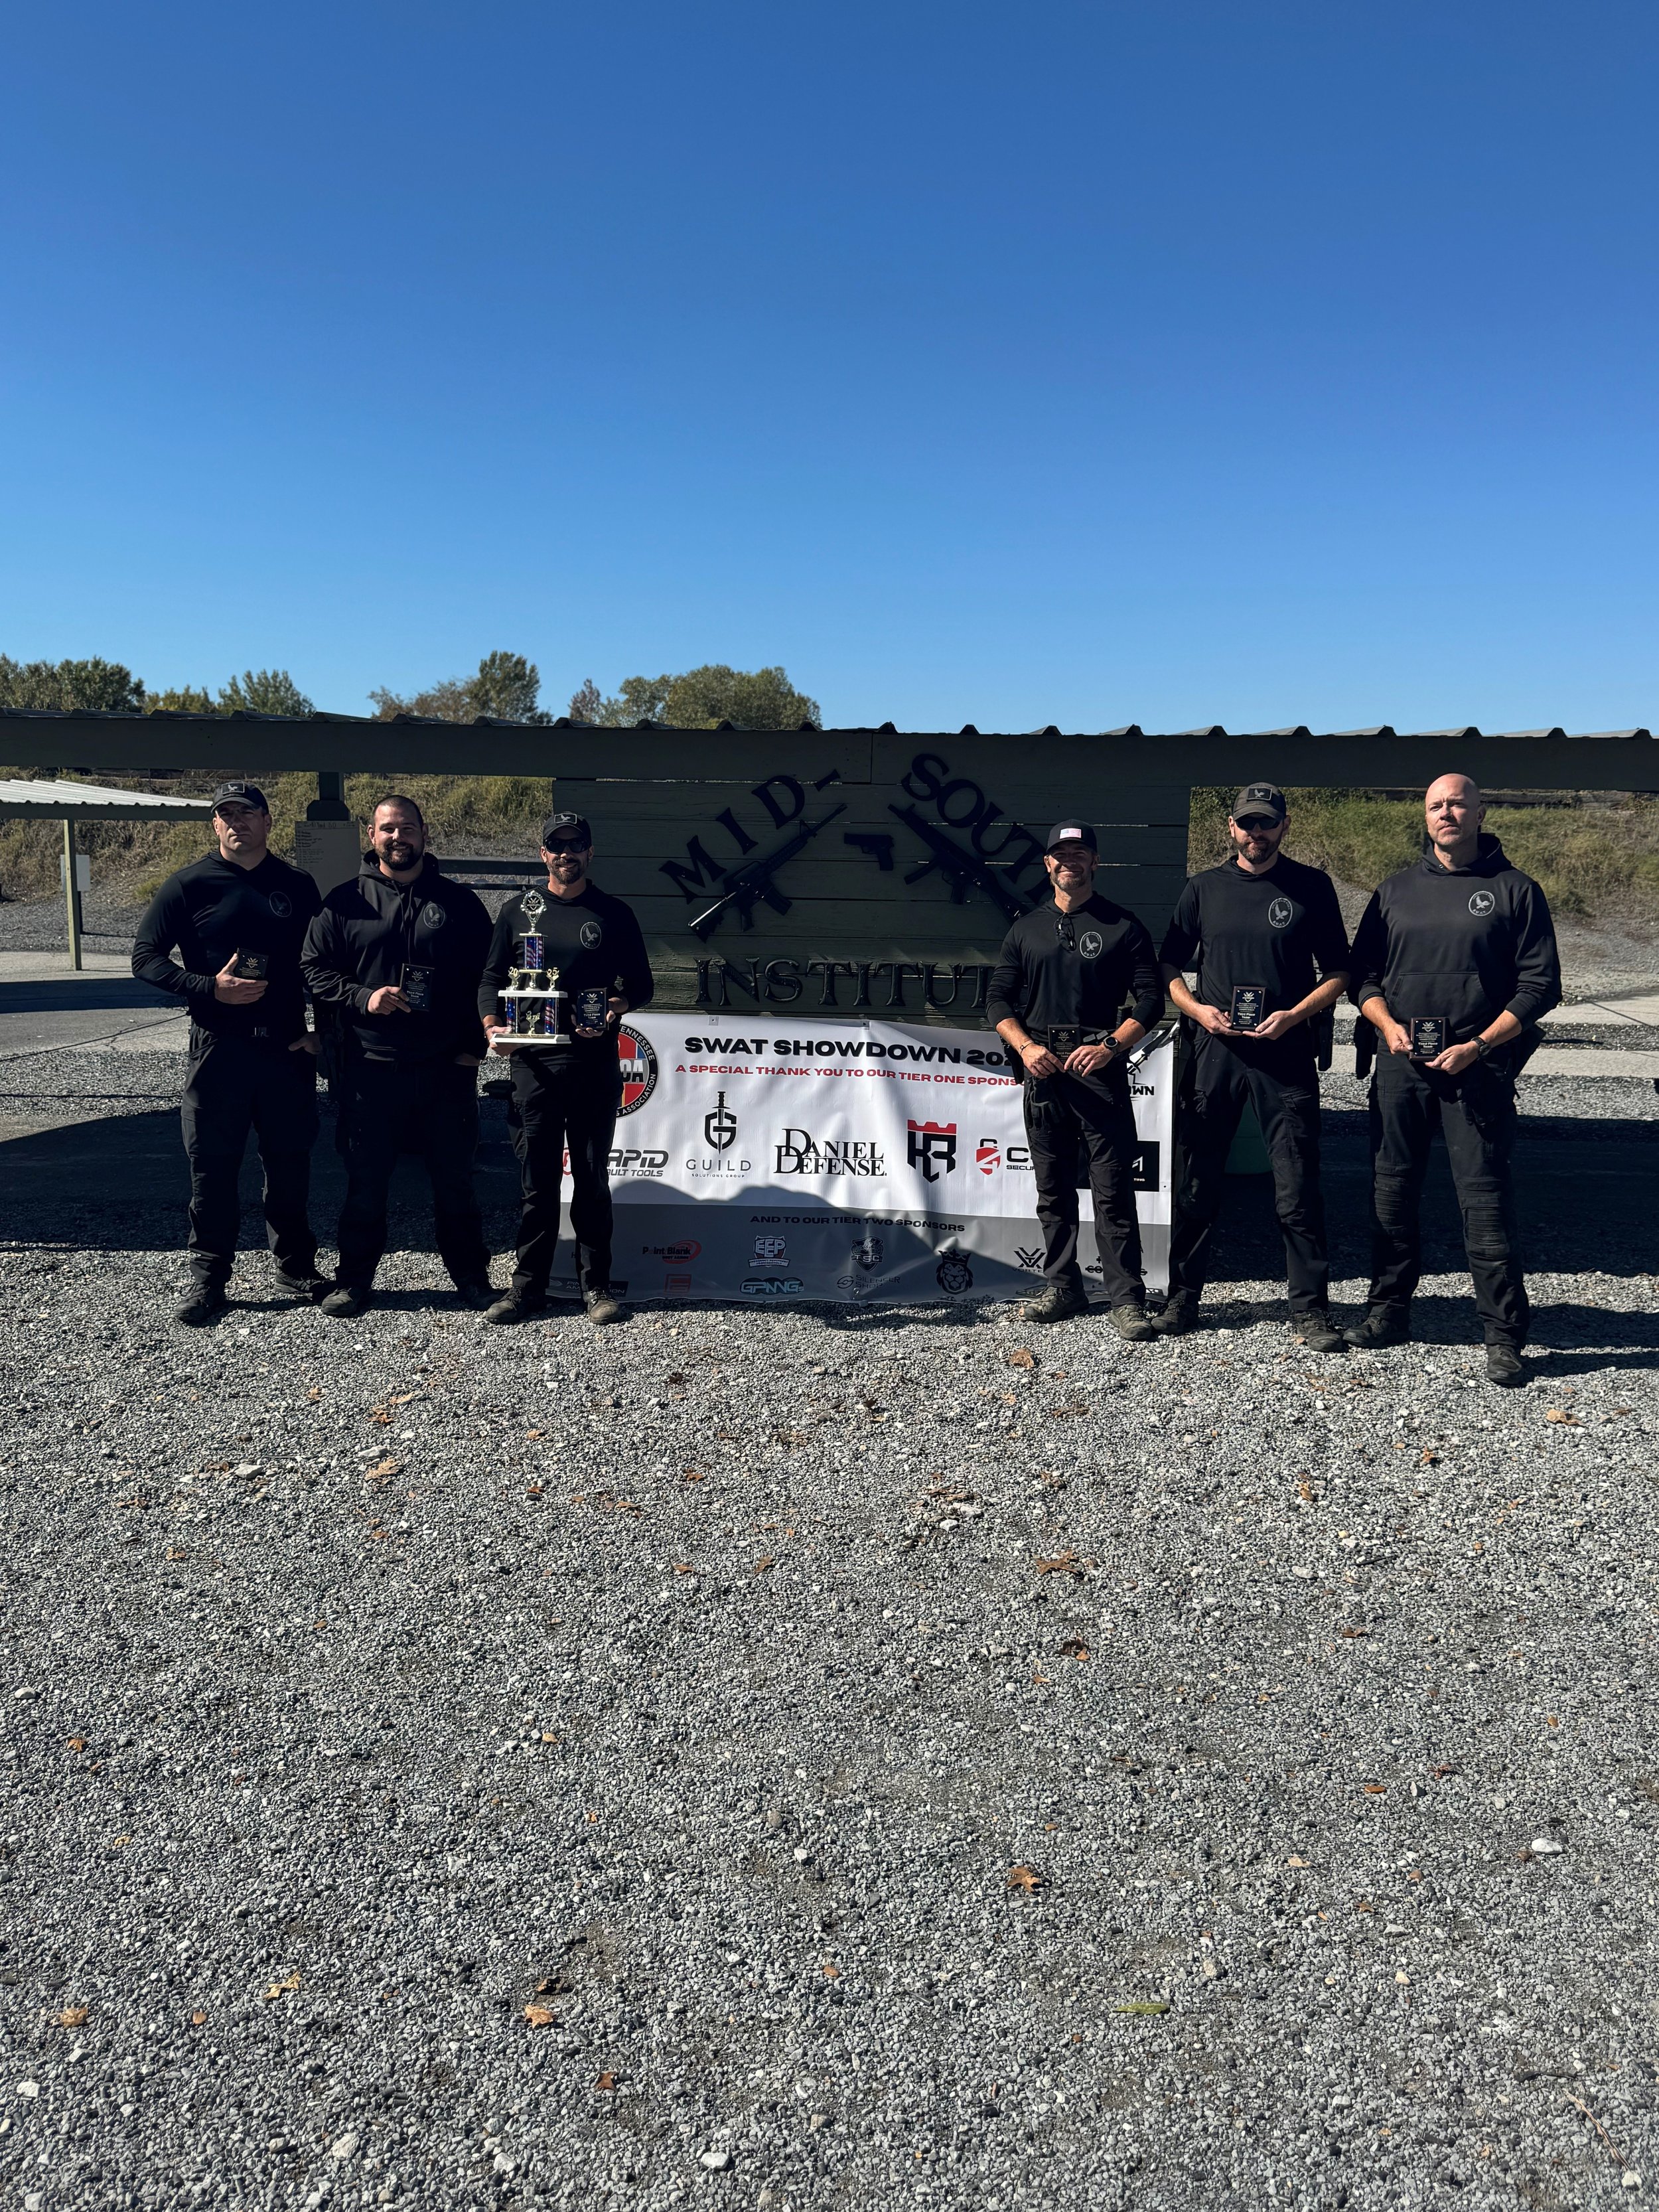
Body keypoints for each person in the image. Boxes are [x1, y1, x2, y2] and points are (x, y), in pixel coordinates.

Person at [1345, 772, 1561, 1385]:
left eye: (1458, 803)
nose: (1447, 813)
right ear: (1425, 815)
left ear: (1480, 811)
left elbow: (1541, 986)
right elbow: (1363, 977)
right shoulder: (1394, 891)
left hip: (1477, 1070)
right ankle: (1388, 1312)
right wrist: (1385, 1023)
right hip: (1400, 1067)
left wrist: (1480, 1044)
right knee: (1391, 1193)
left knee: (1485, 1201)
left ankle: (1503, 1335)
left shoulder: (1516, 890)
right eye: (1436, 805)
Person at [1155, 782, 1351, 1350]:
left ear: (1284, 826)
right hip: (1215, 1050)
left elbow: (1339, 973)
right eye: (1246, 824)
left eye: (1266, 823)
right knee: (1197, 1179)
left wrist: (1295, 1015)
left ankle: (1310, 1309)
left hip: (1284, 1050)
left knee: (1297, 1183)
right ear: (1230, 827)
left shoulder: (1311, 887)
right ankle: (1181, 1300)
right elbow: (1168, 963)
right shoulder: (1202, 888)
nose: (1255, 833)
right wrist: (1196, 1009)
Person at [132, 780, 325, 1326]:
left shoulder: (296, 885)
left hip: (286, 1047)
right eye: (226, 815)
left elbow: (326, 963)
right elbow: (145, 957)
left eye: (248, 813)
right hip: (219, 1048)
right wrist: (205, 986)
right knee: (213, 1166)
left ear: (268, 821)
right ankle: (209, 1277)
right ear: (215, 825)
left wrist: (322, 1031)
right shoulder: (190, 884)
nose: (237, 822)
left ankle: (294, 1264)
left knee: (289, 1160)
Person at [301, 795, 494, 1318]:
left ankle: (474, 1280)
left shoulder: (460, 903)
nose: (397, 837)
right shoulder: (344, 902)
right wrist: (365, 996)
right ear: (372, 835)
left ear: (424, 834)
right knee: (365, 1184)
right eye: (388, 828)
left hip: (444, 1069)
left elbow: (489, 978)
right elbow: (312, 968)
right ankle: (354, 1281)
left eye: (407, 827)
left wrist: (474, 1049)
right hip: (370, 1069)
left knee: (455, 1183)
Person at [986, 822, 1164, 1337]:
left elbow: (1151, 1000)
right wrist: (1025, 1046)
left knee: (1112, 1191)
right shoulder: (1025, 929)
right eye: (1061, 854)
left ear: (1095, 862)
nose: (1071, 862)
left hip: (1099, 1075)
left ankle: (1127, 1298)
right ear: (1048, 864)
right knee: (1054, 1190)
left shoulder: (1121, 925)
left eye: (1080, 853)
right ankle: (1063, 1286)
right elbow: (998, 999)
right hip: (1044, 1076)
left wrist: (1110, 1046)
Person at [478, 810, 654, 1326]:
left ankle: (595, 1286)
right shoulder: (516, 912)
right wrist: (493, 1027)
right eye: (557, 845)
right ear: (543, 854)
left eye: (576, 844)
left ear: (590, 852)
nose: (566, 853)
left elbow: (641, 984)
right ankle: (526, 1287)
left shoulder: (614, 913)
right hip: (534, 1066)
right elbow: (490, 977)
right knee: (538, 1183)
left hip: (596, 1064)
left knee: (593, 1180)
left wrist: (615, 1008)